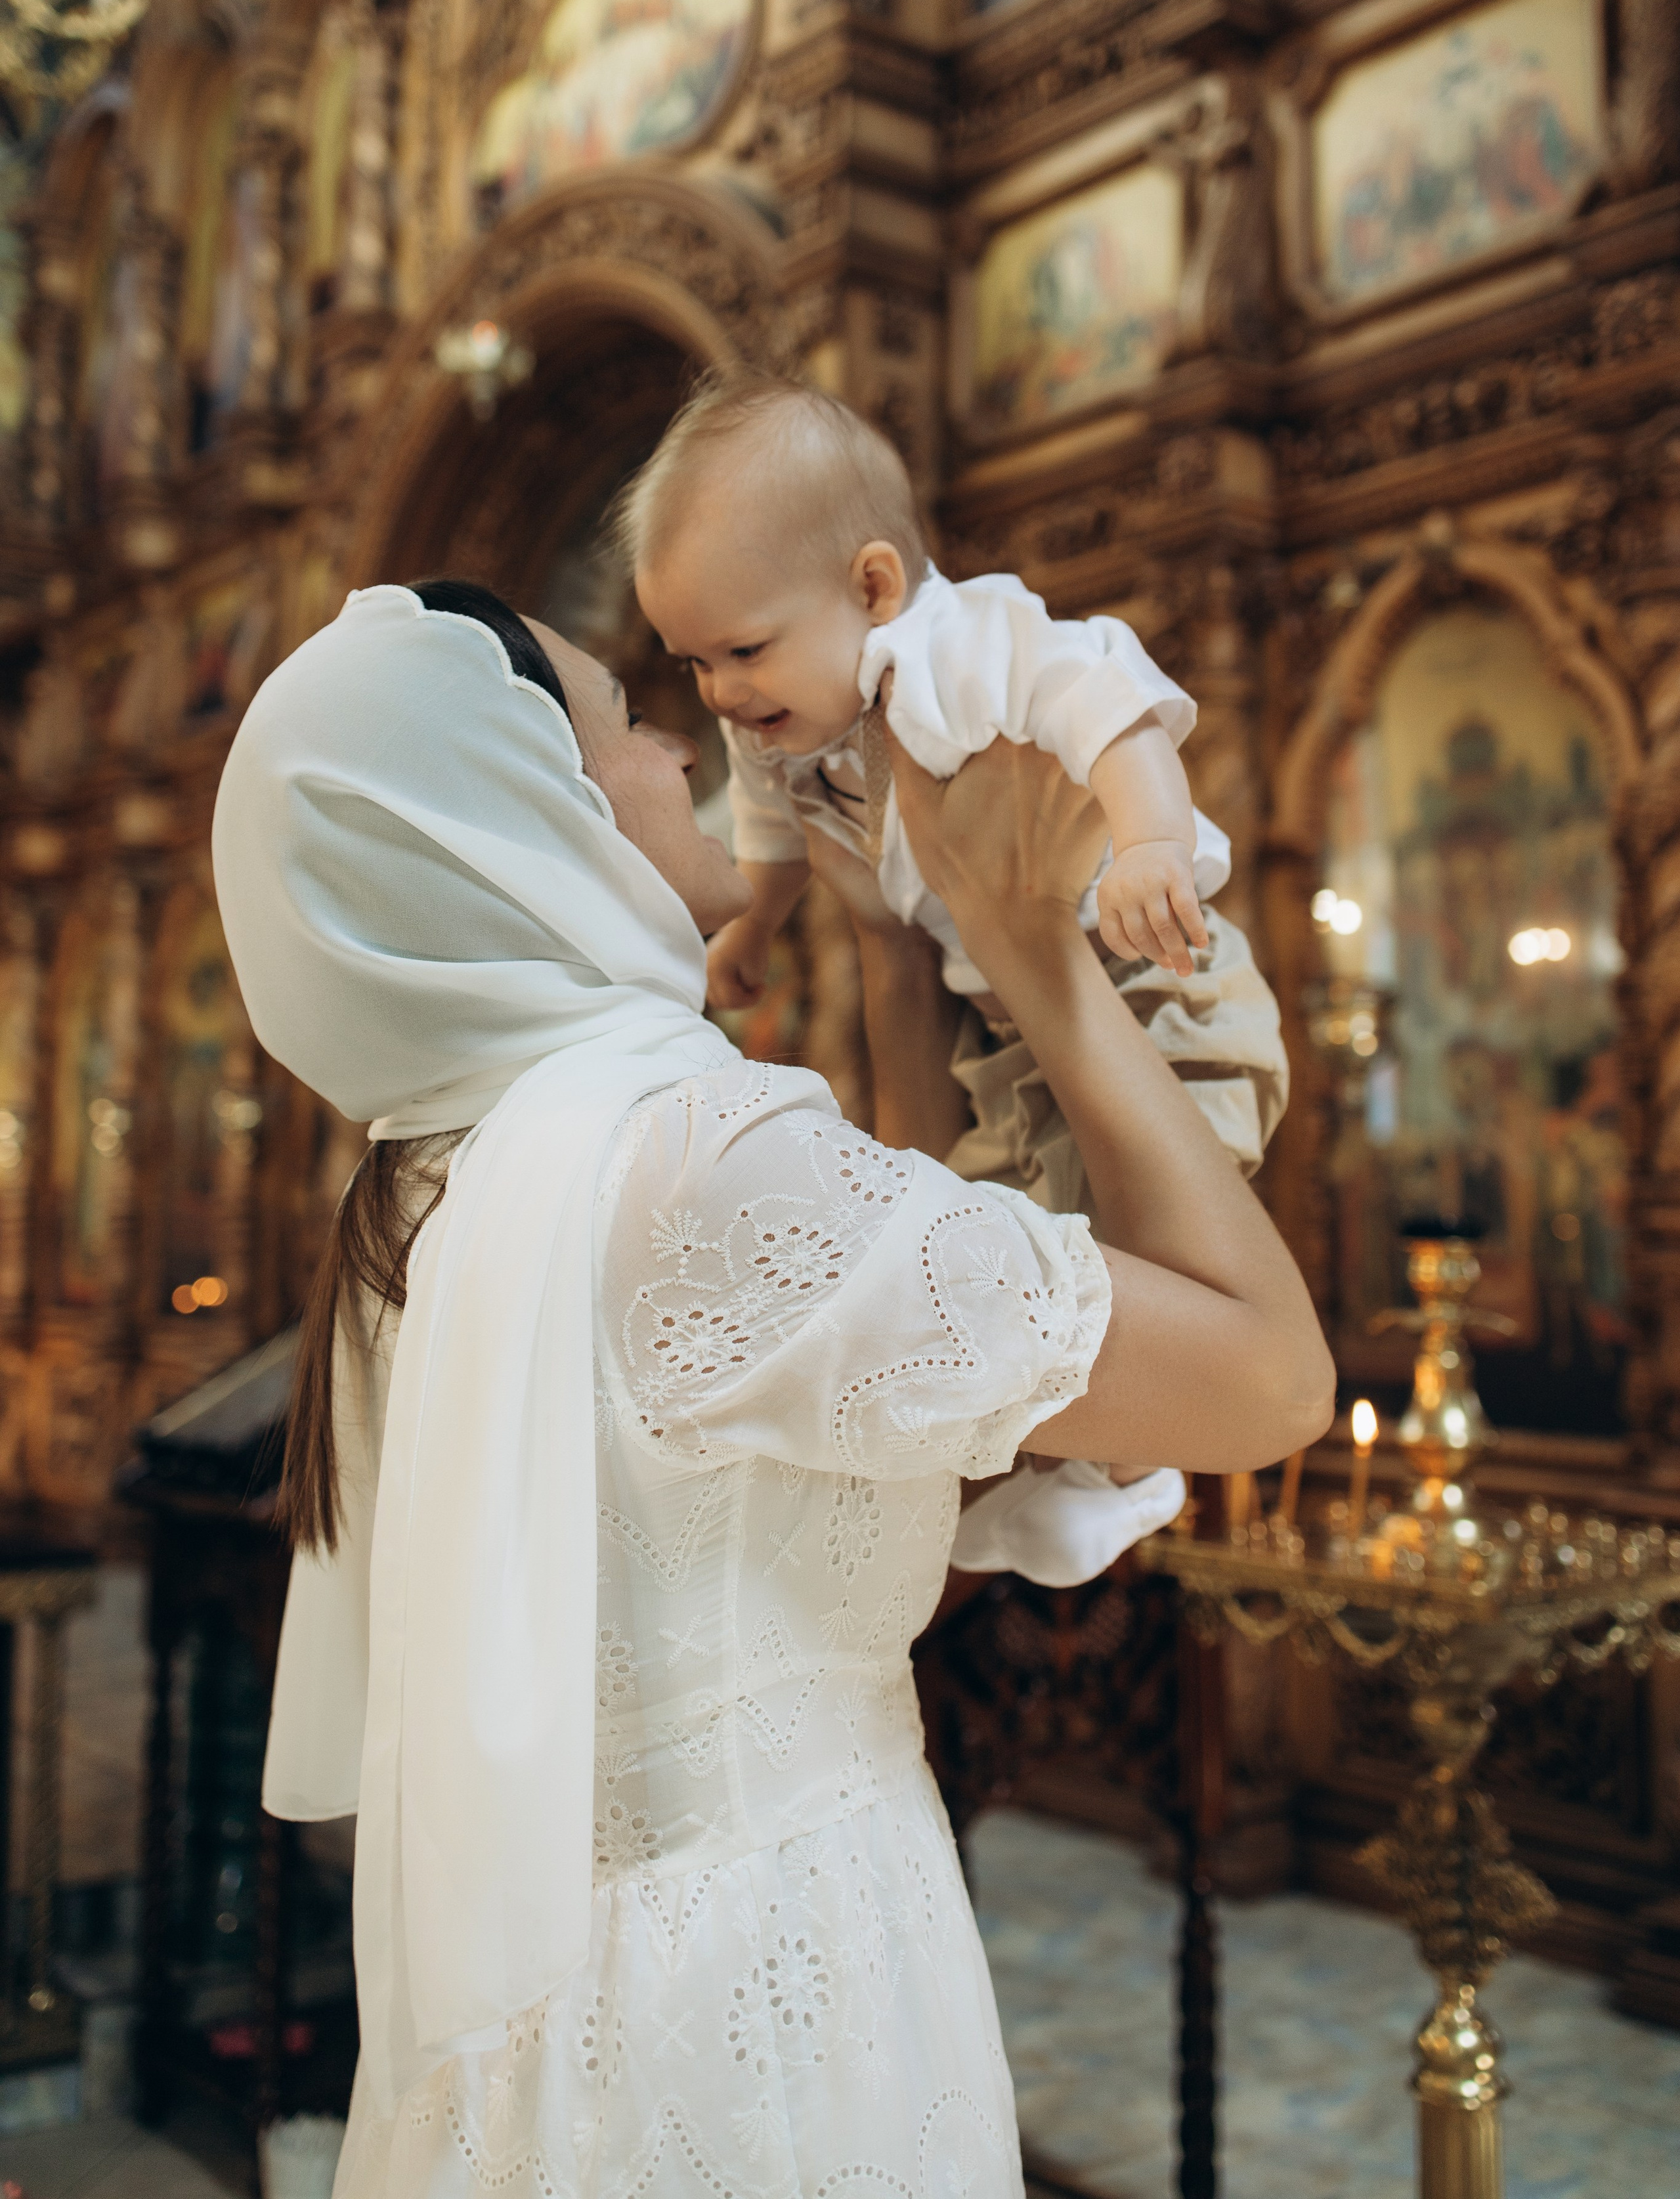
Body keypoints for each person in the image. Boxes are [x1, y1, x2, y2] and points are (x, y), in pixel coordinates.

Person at [213, 578, 1332, 2198]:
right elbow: (1264, 1376)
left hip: (545, 2008)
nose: (681, 745)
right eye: (627, 717)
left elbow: (862, 1420)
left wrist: (888, 941)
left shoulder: (436, 1176)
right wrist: (1031, 952)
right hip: (759, 1991)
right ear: (547, 803)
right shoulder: (678, 1162)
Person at [624, 373, 1287, 1191]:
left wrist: (1152, 842)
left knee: (1150, 1233)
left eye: (746, 651)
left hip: (1148, 985)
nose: (720, 690)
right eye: (694, 662)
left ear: (874, 588)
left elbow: (1112, 703)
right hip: (1005, 1031)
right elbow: (775, 839)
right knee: (995, 1241)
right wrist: (753, 930)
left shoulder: (960, 642)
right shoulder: (773, 723)